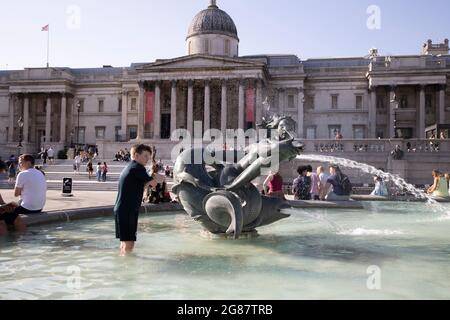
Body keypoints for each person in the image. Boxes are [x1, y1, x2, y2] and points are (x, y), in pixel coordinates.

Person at [114, 144, 165, 256]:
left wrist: (153, 179)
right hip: (128, 210)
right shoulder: (137, 167)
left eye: (149, 156)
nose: (148, 159)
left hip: (122, 209)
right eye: (145, 156)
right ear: (136, 155)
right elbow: (153, 183)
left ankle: (122, 261)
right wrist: (159, 178)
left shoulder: (131, 167)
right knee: (130, 243)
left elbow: (143, 186)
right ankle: (127, 267)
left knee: (124, 242)